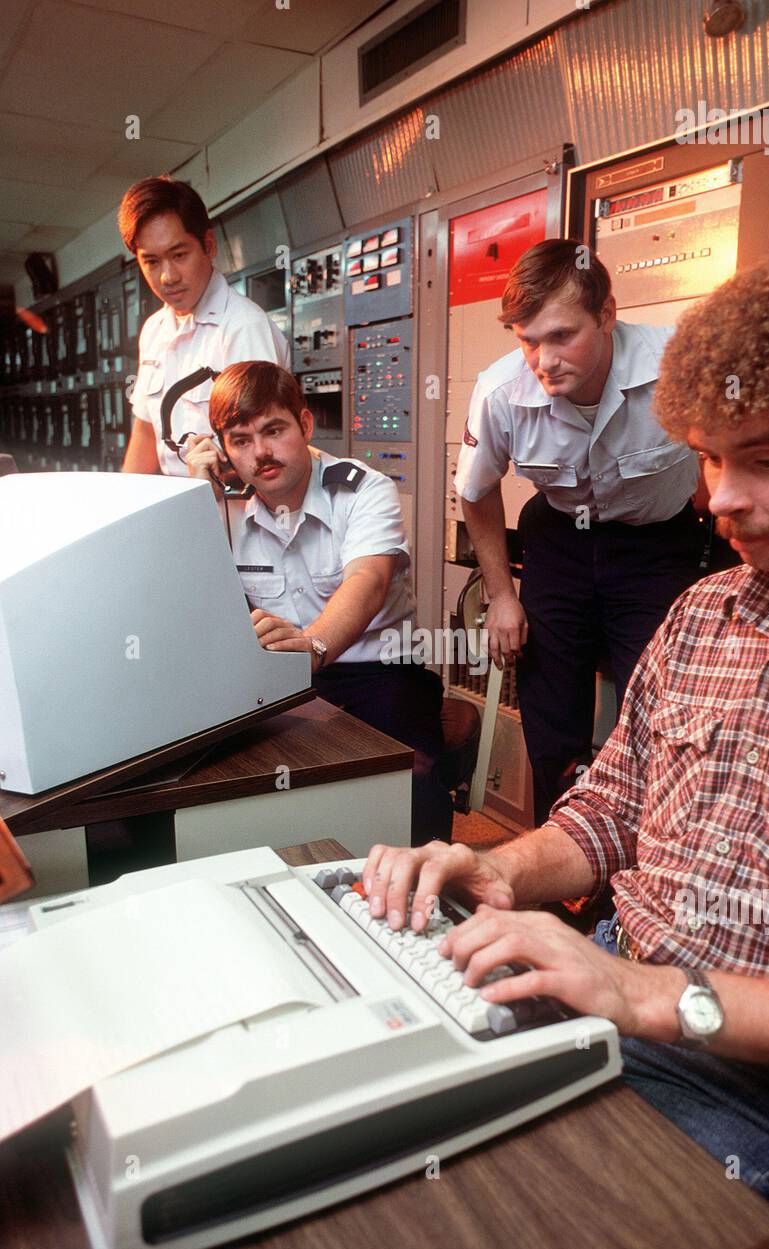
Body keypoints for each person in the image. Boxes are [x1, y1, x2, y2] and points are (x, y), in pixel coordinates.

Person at [360, 247, 769, 1218]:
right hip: (618, 990)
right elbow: (614, 800)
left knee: (512, 1224)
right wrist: (506, 871)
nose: (716, 496)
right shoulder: (705, 612)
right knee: (384, 1127)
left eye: (761, 460)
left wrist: (642, 995)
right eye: (708, 458)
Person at [456, 239, 734, 824]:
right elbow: (475, 490)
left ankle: (644, 869)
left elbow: (729, 452)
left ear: (607, 315)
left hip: (657, 543)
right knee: (552, 714)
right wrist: (502, 594)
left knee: (663, 712)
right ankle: (559, 873)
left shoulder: (679, 364)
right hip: (559, 540)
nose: (544, 360)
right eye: (528, 340)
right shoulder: (501, 391)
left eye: (562, 336)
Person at [185, 360, 454, 847]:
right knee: (219, 783)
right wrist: (196, 502)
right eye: (240, 440)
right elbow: (191, 611)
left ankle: (430, 893)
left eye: (274, 430)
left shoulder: (362, 490)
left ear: (305, 425)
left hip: (381, 674)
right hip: (277, 681)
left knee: (411, 786)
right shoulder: (220, 507)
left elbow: (368, 582)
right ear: (223, 450)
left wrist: (313, 645)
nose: (261, 452)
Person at [117, 176, 290, 476]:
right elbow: (145, 433)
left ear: (208, 246)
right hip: (180, 508)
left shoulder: (243, 326)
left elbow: (265, 451)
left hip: (235, 511)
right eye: (152, 262)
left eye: (179, 255)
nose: (167, 276)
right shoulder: (154, 330)